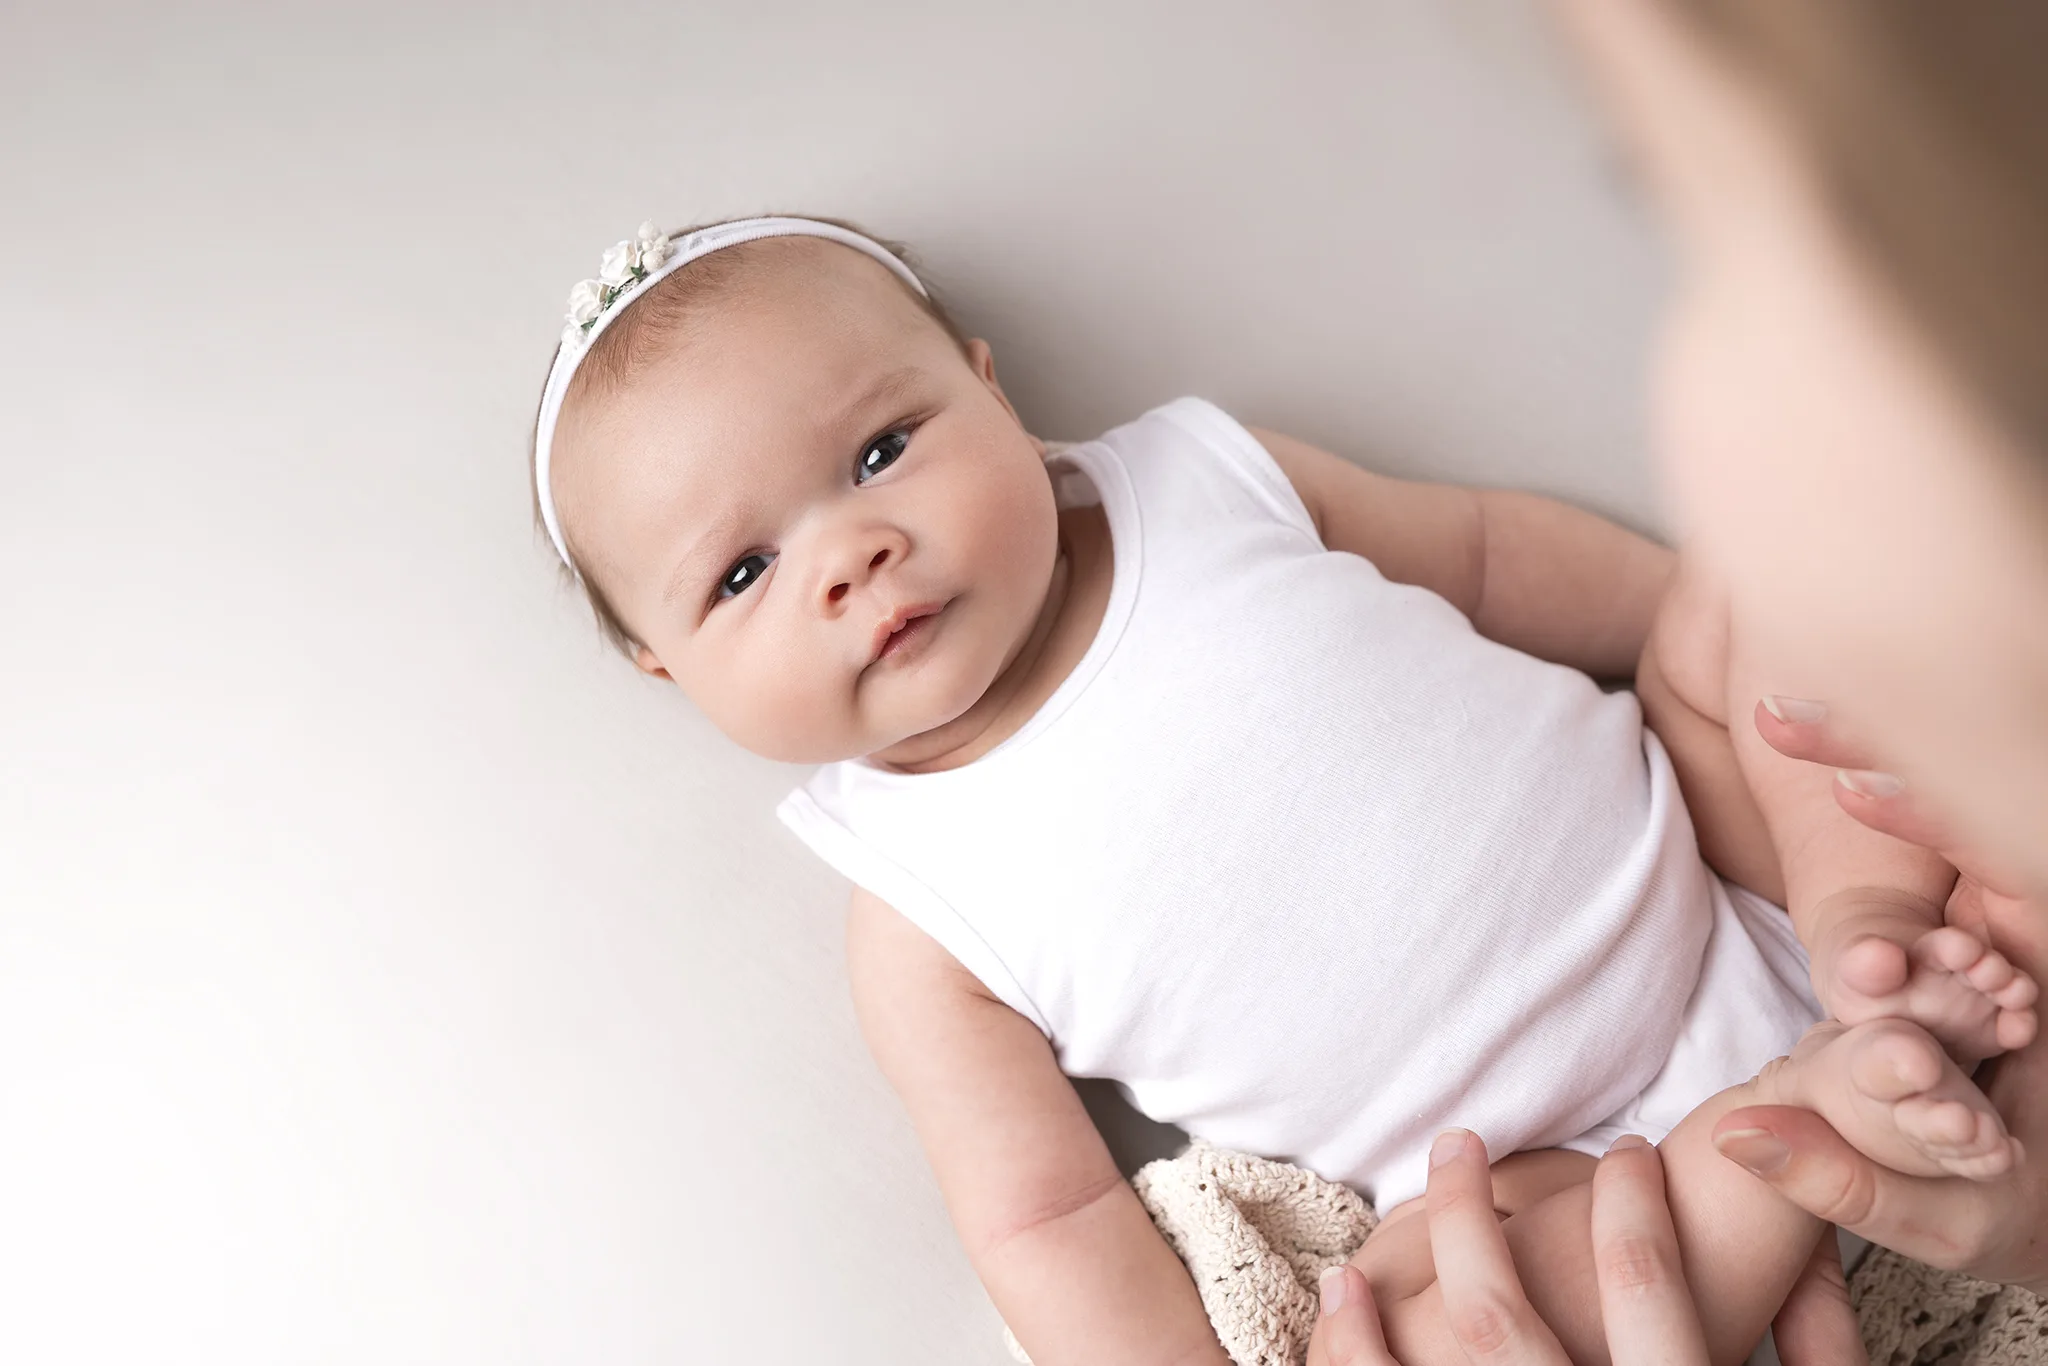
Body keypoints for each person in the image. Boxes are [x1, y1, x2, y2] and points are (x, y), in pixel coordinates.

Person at [525, 211, 2029, 1364]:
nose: (851, 555)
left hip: (1720, 877)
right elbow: (1045, 1215)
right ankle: (1810, 1120)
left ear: (989, 390)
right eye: (741, 573)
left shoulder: (1205, 482)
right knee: (1420, 1319)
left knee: (1753, 598)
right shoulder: (916, 913)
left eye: (879, 450)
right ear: (668, 666)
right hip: (1534, 1182)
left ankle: (1873, 940)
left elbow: (1487, 555)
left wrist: (1700, 649)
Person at [1313, 1, 2048, 1357]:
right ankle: (1866, 960)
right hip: (1751, 946)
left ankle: (1835, 1080)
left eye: (1721, 243)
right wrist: (1863, 914)